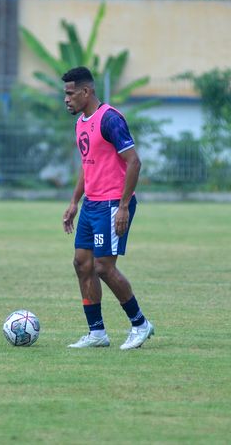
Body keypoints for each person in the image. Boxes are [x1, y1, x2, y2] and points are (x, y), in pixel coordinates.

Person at [61, 66, 154, 350]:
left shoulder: (110, 119)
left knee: (103, 266)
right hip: (92, 203)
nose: (66, 99)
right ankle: (97, 333)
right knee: (82, 264)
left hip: (113, 202)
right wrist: (75, 202)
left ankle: (140, 324)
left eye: (70, 93)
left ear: (86, 92)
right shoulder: (80, 123)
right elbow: (87, 164)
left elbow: (134, 162)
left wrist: (124, 206)